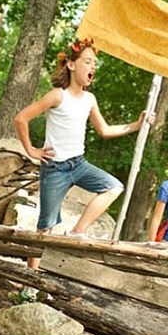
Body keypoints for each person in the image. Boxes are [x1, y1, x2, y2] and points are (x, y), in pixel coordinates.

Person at [14, 37, 152, 300]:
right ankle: (31, 282)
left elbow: (105, 130)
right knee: (44, 228)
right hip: (54, 168)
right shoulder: (57, 95)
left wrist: (137, 124)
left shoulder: (89, 99)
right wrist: (31, 149)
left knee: (114, 186)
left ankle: (77, 231)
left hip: (78, 164)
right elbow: (21, 118)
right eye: (88, 61)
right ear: (71, 66)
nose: (92, 67)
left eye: (94, 63)